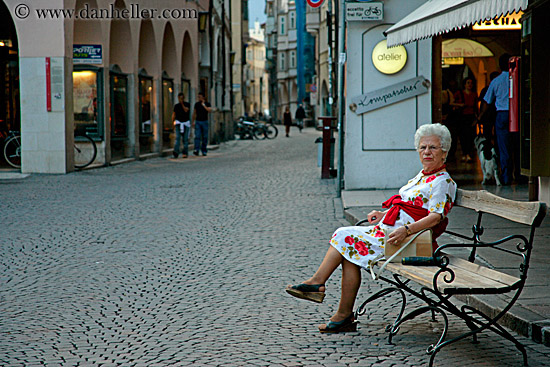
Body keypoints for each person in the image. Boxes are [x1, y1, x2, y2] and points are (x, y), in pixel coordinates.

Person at [286, 123, 457, 333]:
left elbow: (435, 217)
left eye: (433, 148)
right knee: (348, 250)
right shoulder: (422, 176)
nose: (427, 152)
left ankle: (320, 287)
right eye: (422, 148)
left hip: (407, 241)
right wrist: (383, 214)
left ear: (444, 152)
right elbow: (408, 205)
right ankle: (341, 314)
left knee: (344, 236)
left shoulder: (442, 182)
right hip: (390, 233)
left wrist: (407, 230)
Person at [477, 54, 511, 185]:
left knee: (503, 147)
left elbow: (487, 100)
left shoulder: (496, 81)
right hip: (518, 115)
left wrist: (480, 116)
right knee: (518, 146)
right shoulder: (519, 77)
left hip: (502, 115)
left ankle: (506, 177)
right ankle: (521, 176)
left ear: (499, 66)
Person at [453, 78, 478, 162]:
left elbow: (476, 107)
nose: (470, 85)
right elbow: (452, 103)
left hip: (471, 116)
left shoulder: (474, 94)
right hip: (462, 117)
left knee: (471, 136)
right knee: (463, 136)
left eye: (471, 83)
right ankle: (464, 153)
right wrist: (460, 105)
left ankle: (469, 153)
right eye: (468, 83)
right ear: (464, 84)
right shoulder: (459, 93)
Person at [478, 71, 499, 143]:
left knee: (493, 134)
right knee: (489, 133)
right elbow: (484, 103)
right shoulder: (486, 90)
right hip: (489, 115)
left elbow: (484, 102)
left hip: (492, 114)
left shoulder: (486, 89)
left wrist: (480, 115)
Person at [192, 92, 212, 156]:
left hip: (205, 121)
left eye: (200, 97)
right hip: (198, 121)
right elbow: (194, 113)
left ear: (203, 97)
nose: (199, 98)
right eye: (198, 97)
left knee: (205, 137)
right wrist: (193, 121)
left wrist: (203, 105)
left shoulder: (207, 104)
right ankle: (196, 149)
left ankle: (204, 150)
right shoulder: (196, 104)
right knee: (197, 136)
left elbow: (209, 110)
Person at [172, 93, 191, 158]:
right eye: (180, 98)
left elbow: (186, 110)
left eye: (182, 98)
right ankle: (176, 152)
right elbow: (174, 114)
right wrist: (173, 123)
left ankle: (185, 152)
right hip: (178, 123)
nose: (181, 99)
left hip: (185, 123)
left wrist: (182, 104)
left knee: (185, 139)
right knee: (177, 138)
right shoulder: (176, 106)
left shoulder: (187, 104)